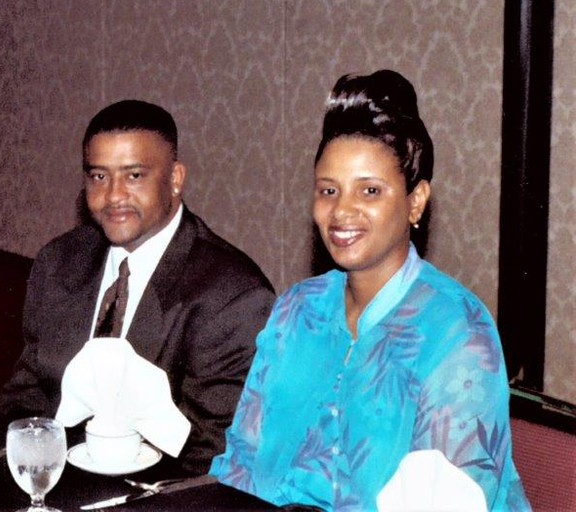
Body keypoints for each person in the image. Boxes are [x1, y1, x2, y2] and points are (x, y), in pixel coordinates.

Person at [211, 71, 529, 510]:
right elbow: (240, 465)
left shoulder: (457, 331)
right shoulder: (297, 309)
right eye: (329, 190)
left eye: (370, 191)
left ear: (415, 201)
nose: (342, 211)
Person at [0, 100, 275, 473]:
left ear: (175, 179)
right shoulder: (60, 263)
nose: (113, 196)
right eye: (99, 176)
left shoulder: (232, 295)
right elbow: (26, 399)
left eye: (134, 176)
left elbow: (211, 456)